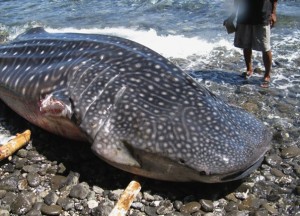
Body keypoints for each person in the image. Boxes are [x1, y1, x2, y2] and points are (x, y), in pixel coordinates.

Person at [224, 0, 278, 88]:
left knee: (265, 47)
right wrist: (233, 16)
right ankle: (249, 69)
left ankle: (267, 75)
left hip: (262, 16)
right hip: (244, 16)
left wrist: (273, 13)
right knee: (246, 44)